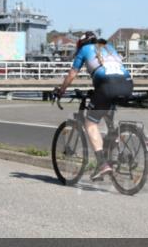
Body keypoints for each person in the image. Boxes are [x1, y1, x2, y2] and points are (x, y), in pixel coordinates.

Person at [53, 32, 134, 180]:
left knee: (90, 122)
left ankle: (103, 164)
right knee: (107, 117)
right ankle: (118, 150)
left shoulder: (85, 49)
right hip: (127, 83)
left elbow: (72, 74)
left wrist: (61, 91)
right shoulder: (109, 47)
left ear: (81, 44)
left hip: (107, 85)